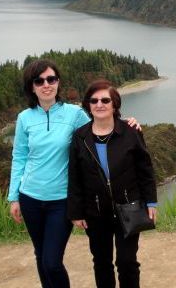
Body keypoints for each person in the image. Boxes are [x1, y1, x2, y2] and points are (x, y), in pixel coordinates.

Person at [8, 60, 139, 288]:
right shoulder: (24, 118)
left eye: (52, 79)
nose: (46, 84)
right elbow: (19, 157)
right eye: (39, 81)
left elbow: (103, 125)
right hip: (30, 197)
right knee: (41, 256)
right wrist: (14, 197)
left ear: (58, 82)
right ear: (32, 87)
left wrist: (128, 123)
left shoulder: (74, 114)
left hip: (61, 200)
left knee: (52, 262)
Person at [67, 79, 157, 288]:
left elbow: (145, 169)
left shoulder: (131, 131)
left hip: (129, 208)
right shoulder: (80, 137)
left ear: (114, 104)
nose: (100, 104)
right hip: (95, 212)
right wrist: (76, 212)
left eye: (105, 100)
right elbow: (75, 176)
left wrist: (151, 203)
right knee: (101, 262)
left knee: (127, 262)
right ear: (88, 105)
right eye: (94, 100)